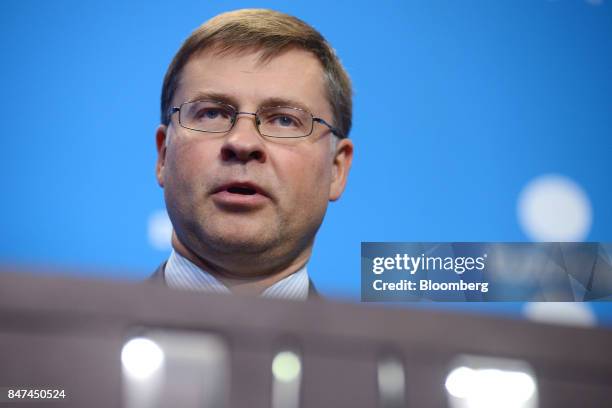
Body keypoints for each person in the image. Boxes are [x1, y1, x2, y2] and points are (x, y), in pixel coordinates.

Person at [151, 9, 354, 300]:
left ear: (337, 169)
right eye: (212, 113)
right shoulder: (68, 340)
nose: (243, 143)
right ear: (163, 155)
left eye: (284, 120)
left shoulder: (399, 345)